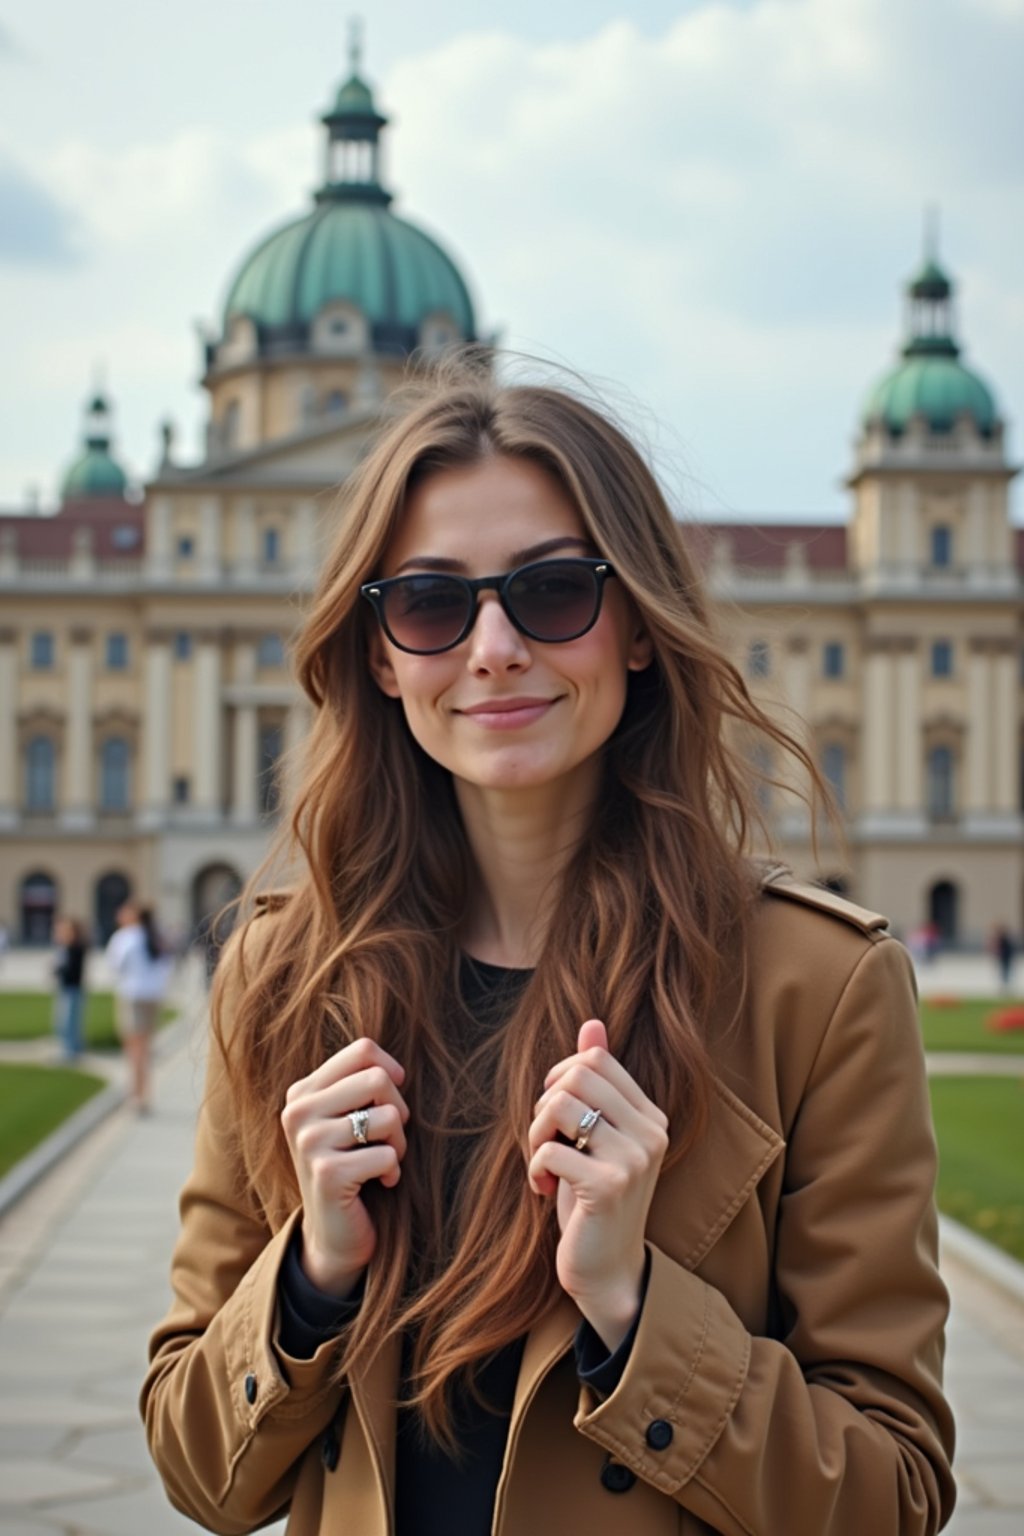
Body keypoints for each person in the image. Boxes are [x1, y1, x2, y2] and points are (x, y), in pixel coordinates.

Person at [142, 366, 956, 1535]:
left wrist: (634, 1309)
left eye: (553, 591)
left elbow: (894, 1496)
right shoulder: (282, 979)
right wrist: (311, 1281)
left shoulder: (813, 990)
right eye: (429, 603)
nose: (492, 648)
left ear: (635, 626)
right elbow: (199, 1474)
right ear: (379, 654)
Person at [105, 902, 171, 1113]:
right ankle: (144, 1093)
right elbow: (166, 965)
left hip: (133, 995)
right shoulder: (155, 935)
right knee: (145, 1049)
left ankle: (136, 1095)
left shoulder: (126, 937)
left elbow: (115, 965)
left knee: (134, 1050)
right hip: (153, 995)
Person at [52, 916, 88, 1061]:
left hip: (72, 988)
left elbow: (70, 969)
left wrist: (58, 969)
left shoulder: (76, 947)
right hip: (67, 987)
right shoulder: (67, 947)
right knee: (65, 1022)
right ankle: (73, 1049)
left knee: (69, 1022)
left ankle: (70, 1052)